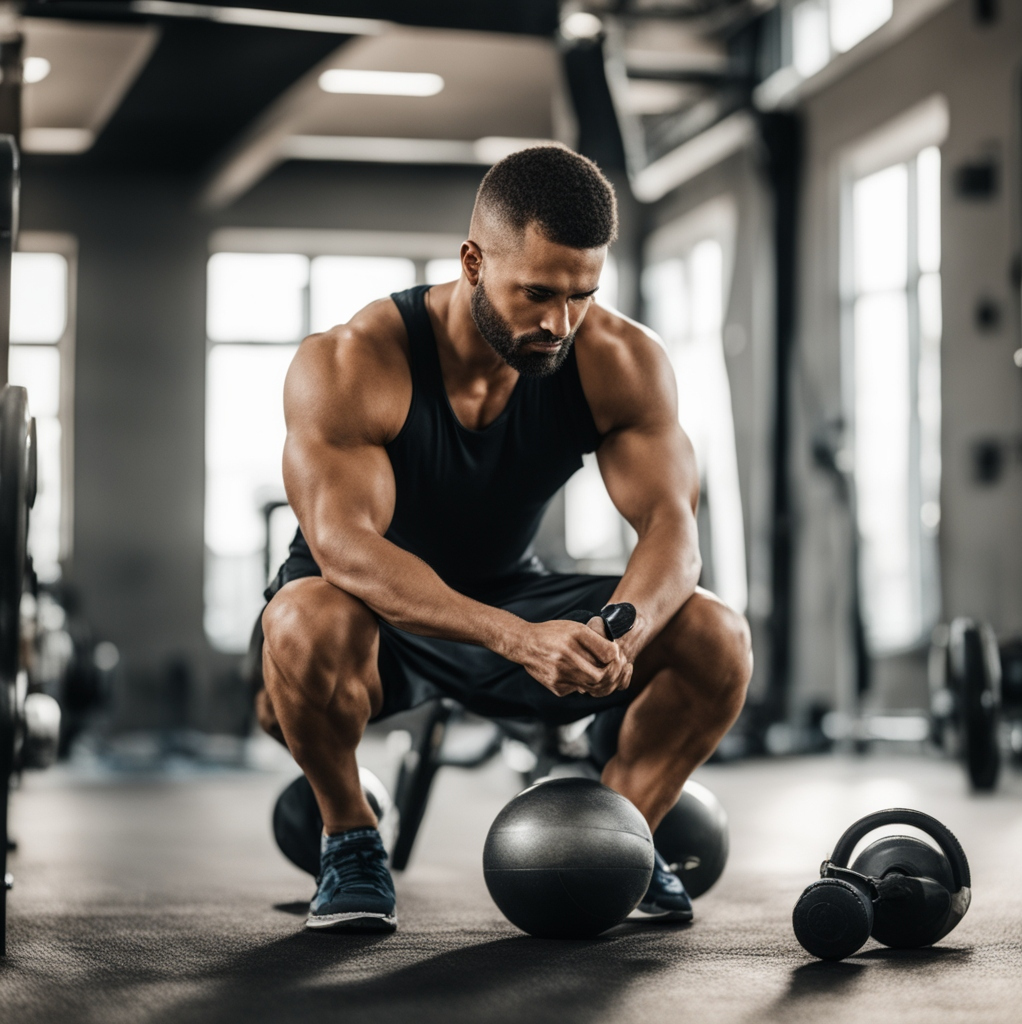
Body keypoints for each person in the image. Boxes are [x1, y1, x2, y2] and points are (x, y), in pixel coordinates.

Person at [254, 145, 752, 933]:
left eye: (582, 295)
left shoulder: (618, 360)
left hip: (506, 586)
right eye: (538, 294)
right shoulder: (354, 362)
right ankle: (349, 837)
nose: (559, 323)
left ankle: (619, 835)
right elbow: (346, 547)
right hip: (371, 616)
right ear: (474, 261)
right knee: (299, 621)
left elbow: (672, 530)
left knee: (716, 636)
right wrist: (517, 640)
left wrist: (621, 633)